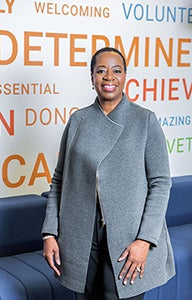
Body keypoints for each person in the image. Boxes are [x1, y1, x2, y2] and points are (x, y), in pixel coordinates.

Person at [42, 47, 175, 300]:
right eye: (101, 70)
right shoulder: (78, 121)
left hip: (129, 238)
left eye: (116, 70)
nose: (108, 77)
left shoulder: (144, 120)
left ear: (125, 76)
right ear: (92, 78)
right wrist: (49, 233)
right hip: (81, 234)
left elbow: (160, 184)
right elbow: (59, 181)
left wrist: (144, 240)